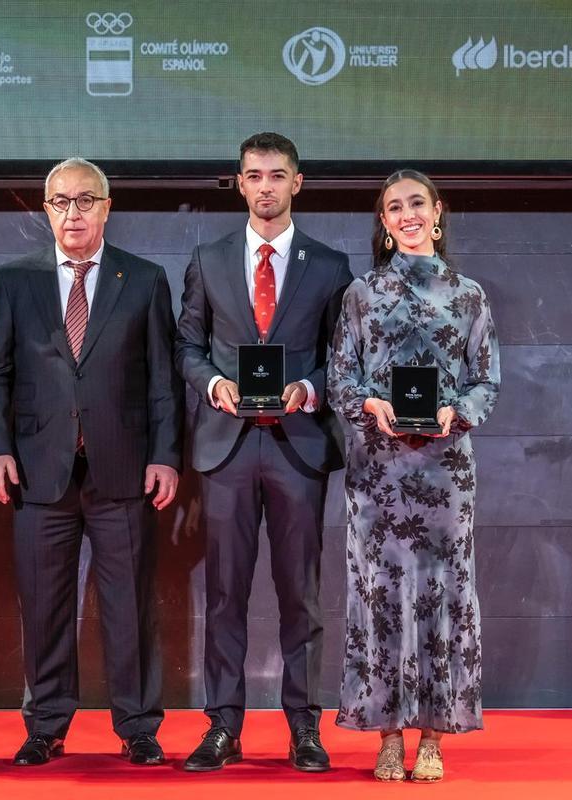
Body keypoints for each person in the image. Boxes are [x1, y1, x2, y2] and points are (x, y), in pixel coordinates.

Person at [0, 158, 182, 767]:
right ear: (45, 210)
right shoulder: (14, 280)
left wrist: (166, 456)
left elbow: (163, 381)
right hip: (38, 471)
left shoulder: (143, 279)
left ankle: (139, 726)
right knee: (44, 604)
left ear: (106, 206)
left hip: (123, 469)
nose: (74, 212)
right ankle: (45, 724)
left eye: (86, 200)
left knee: (129, 605)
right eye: (61, 201)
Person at [174, 132, 352, 772]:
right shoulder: (210, 259)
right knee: (224, 594)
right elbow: (188, 348)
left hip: (298, 448)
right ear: (240, 183)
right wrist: (215, 384)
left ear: (297, 183)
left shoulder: (330, 266)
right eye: (255, 175)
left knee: (299, 593)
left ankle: (304, 726)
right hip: (226, 447)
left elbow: (345, 360)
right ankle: (223, 725)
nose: (267, 186)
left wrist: (308, 389)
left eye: (278, 175)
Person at [328, 169, 500, 782]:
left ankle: (433, 734)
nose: (406, 215)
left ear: (438, 212)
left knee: (443, 594)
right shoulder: (360, 294)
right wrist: (371, 407)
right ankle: (387, 735)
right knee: (379, 595)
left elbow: (486, 380)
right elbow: (341, 379)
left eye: (416, 204)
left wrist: (458, 412)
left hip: (445, 468)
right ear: (383, 222)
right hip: (379, 471)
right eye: (394, 207)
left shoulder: (471, 296)